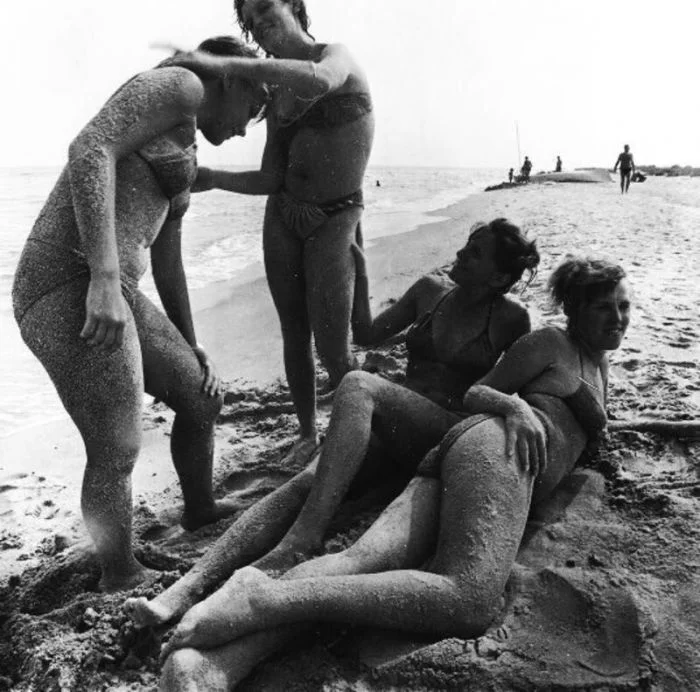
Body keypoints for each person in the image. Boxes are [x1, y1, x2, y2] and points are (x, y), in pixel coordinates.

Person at [157, 255, 631, 691]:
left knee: (360, 563)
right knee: (468, 599)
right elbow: (480, 392)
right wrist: (517, 408)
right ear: (574, 308)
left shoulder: (598, 360)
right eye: (604, 307)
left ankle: (211, 665)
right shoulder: (552, 342)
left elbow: (589, 424)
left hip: (470, 459)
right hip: (496, 455)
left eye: (624, 306)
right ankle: (262, 599)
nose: (618, 318)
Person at [125, 218, 539, 625]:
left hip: (441, 435)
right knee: (304, 484)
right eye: (466, 244)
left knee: (358, 384)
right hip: (396, 424)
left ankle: (304, 537)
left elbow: (514, 385)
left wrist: (517, 410)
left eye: (475, 253)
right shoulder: (431, 291)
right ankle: (187, 586)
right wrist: (360, 273)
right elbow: (366, 334)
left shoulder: (512, 320)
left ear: (499, 277)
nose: (461, 253)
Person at [11, 36, 267, 592]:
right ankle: (119, 572)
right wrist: (104, 280)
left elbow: (168, 261)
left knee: (201, 395)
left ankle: (200, 509)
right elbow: (89, 149)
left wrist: (192, 344)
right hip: (63, 283)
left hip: (114, 288)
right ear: (231, 77)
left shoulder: (186, 146)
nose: (248, 128)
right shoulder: (181, 84)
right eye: (255, 106)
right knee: (117, 443)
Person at [166, 0, 375, 464]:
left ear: (295, 7)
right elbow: (270, 177)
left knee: (333, 344)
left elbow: (319, 81)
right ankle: (307, 432)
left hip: (336, 215)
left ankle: (358, 429)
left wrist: (223, 63)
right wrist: (210, 177)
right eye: (250, 22)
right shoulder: (278, 94)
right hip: (283, 214)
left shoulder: (334, 56)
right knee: (294, 333)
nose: (259, 24)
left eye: (265, 10)